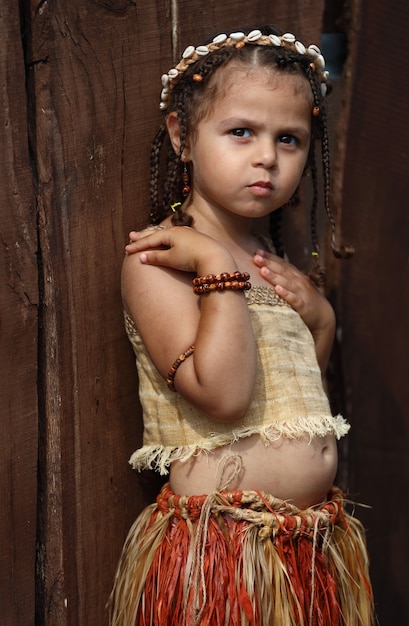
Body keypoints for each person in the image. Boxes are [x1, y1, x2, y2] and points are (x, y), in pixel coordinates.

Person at [109, 25, 373, 626]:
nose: (266, 157)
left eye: (289, 139)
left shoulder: (271, 265)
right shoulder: (160, 261)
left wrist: (322, 320)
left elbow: (301, 397)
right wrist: (212, 263)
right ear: (183, 136)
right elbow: (225, 398)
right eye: (240, 132)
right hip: (222, 553)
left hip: (303, 551)